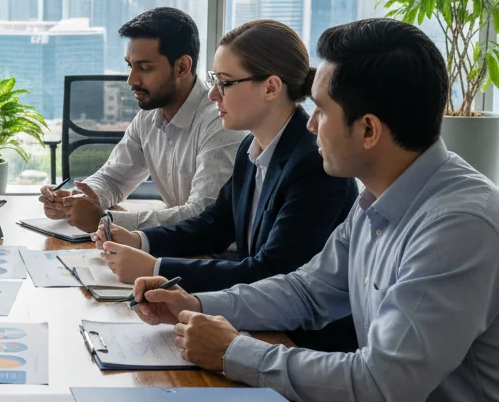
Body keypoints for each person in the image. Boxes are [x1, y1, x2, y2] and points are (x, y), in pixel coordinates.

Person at [130, 19, 499, 402]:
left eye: (322, 111)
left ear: (368, 130)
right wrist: (197, 303)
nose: (310, 126)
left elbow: (381, 388)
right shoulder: (379, 196)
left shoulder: (456, 225)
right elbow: (308, 291)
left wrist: (235, 351)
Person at [96, 20, 357, 351]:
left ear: (271, 87)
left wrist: (157, 266)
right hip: (260, 327)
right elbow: (215, 225)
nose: (212, 94)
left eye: (226, 82)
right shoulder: (251, 151)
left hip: (304, 346)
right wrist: (141, 240)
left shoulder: (314, 164)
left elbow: (272, 270)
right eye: (214, 81)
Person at [39, 8, 247, 232]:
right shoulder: (149, 116)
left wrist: (106, 220)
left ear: (182, 67)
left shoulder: (220, 123)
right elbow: (114, 179)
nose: (131, 80)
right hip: (176, 247)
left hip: (218, 256)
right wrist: (78, 199)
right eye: (130, 66)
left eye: (145, 68)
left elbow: (203, 215)